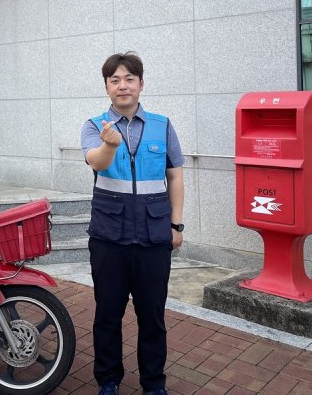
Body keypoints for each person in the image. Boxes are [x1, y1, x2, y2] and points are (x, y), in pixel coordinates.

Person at [80, 52, 185, 395]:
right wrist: (109, 146)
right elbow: (95, 161)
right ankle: (108, 380)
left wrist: (177, 225)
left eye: (129, 79)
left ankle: (154, 384)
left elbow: (175, 175)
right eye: (115, 80)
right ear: (106, 87)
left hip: (154, 237)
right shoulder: (95, 126)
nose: (122, 85)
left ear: (141, 84)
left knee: (152, 317)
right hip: (109, 237)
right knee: (107, 316)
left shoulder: (162, 125)